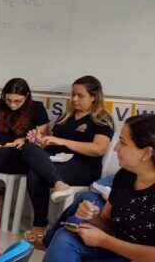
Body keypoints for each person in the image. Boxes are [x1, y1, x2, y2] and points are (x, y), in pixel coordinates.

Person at [0, 78, 74, 242]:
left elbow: (41, 137)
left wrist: (26, 140)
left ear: (27, 96)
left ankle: (58, 184)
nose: (12, 104)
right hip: (1, 152)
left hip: (26, 156)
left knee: (29, 149)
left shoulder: (37, 109)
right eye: (9, 99)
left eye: (17, 101)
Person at [42, 114, 155, 262]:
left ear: (146, 153)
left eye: (123, 142)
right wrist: (92, 217)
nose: (115, 148)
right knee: (65, 237)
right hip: (116, 249)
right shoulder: (125, 176)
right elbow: (107, 224)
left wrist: (104, 241)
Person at [22, 76, 114, 244]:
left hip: (84, 166)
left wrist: (63, 141)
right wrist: (40, 141)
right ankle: (56, 188)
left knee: (36, 174)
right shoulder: (66, 116)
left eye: (80, 95)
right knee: (29, 148)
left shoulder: (102, 119)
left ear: (93, 97)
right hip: (57, 161)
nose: (74, 99)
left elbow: (98, 149)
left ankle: (40, 224)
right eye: (73, 94)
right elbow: (52, 145)